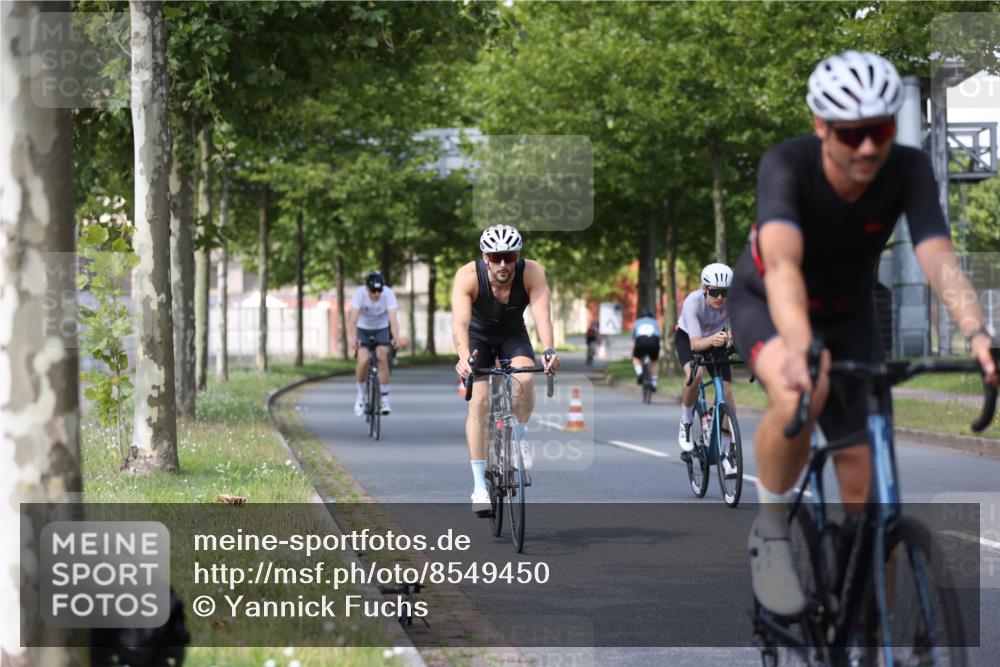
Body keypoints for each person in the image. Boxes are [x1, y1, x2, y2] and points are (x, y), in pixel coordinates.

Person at [729, 50, 998, 616]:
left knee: (872, 504)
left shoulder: (907, 168)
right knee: (801, 390)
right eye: (852, 134)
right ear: (821, 126)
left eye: (881, 129)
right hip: (770, 302)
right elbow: (782, 268)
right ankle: (771, 530)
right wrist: (800, 346)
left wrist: (978, 334)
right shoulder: (786, 165)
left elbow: (937, 255)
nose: (870, 147)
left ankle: (867, 639)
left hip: (849, 315)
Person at [452, 224, 561, 514]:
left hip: (513, 335)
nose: (503, 264)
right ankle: (479, 486)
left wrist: (549, 350)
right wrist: (464, 357)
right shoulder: (467, 276)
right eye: (496, 257)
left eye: (509, 257)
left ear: (518, 256)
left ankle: (518, 438)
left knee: (525, 377)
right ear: (485, 257)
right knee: (479, 403)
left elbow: (543, 317)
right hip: (477, 338)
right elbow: (460, 323)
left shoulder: (532, 272)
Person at [675, 264, 736, 472]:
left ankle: (726, 451)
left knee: (727, 391)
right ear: (704, 289)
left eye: (724, 292)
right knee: (696, 373)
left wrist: (733, 340)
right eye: (715, 292)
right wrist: (717, 339)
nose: (720, 298)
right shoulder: (692, 302)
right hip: (689, 338)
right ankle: (686, 422)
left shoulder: (732, 302)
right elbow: (695, 345)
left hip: (716, 338)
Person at [347, 271, 400, 417]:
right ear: (367, 288)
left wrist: (395, 337)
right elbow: (352, 320)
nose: (377, 294)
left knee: (382, 356)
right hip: (363, 328)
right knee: (363, 359)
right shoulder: (359, 294)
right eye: (373, 291)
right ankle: (360, 396)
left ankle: (385, 400)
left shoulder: (388, 294)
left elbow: (393, 320)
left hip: (381, 328)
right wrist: (352, 339)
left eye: (379, 290)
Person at [630, 309, 661, 390]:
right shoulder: (655, 322)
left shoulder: (637, 322)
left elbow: (634, 339)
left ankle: (640, 373)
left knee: (636, 358)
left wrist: (632, 354)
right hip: (654, 340)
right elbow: (658, 336)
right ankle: (654, 383)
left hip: (641, 340)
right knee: (654, 361)